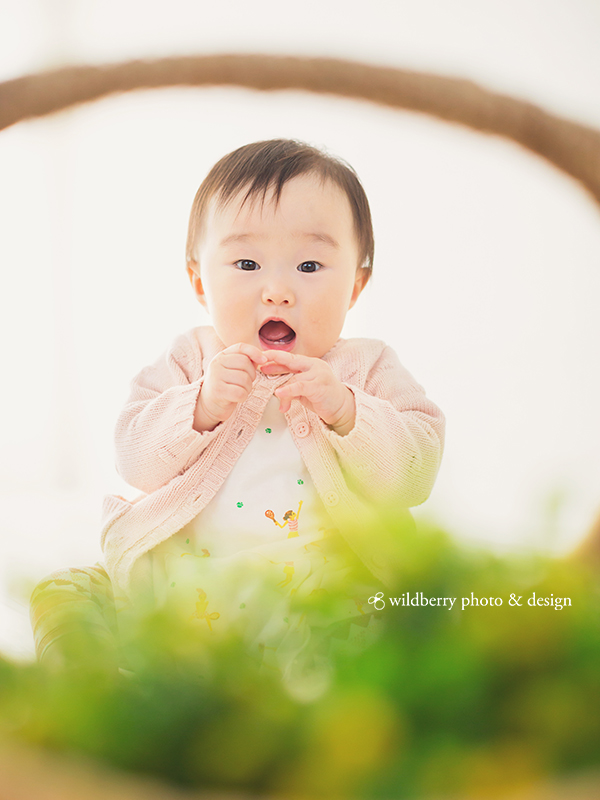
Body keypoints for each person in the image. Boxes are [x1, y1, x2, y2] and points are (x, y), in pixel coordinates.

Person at [35, 139, 445, 686]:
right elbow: (133, 458)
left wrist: (348, 412)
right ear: (200, 282)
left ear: (355, 286)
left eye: (310, 264)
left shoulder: (366, 367)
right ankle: (93, 675)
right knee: (67, 591)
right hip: (186, 599)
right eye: (247, 263)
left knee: (415, 625)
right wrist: (199, 407)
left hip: (328, 604)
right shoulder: (191, 359)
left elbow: (415, 473)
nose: (277, 291)